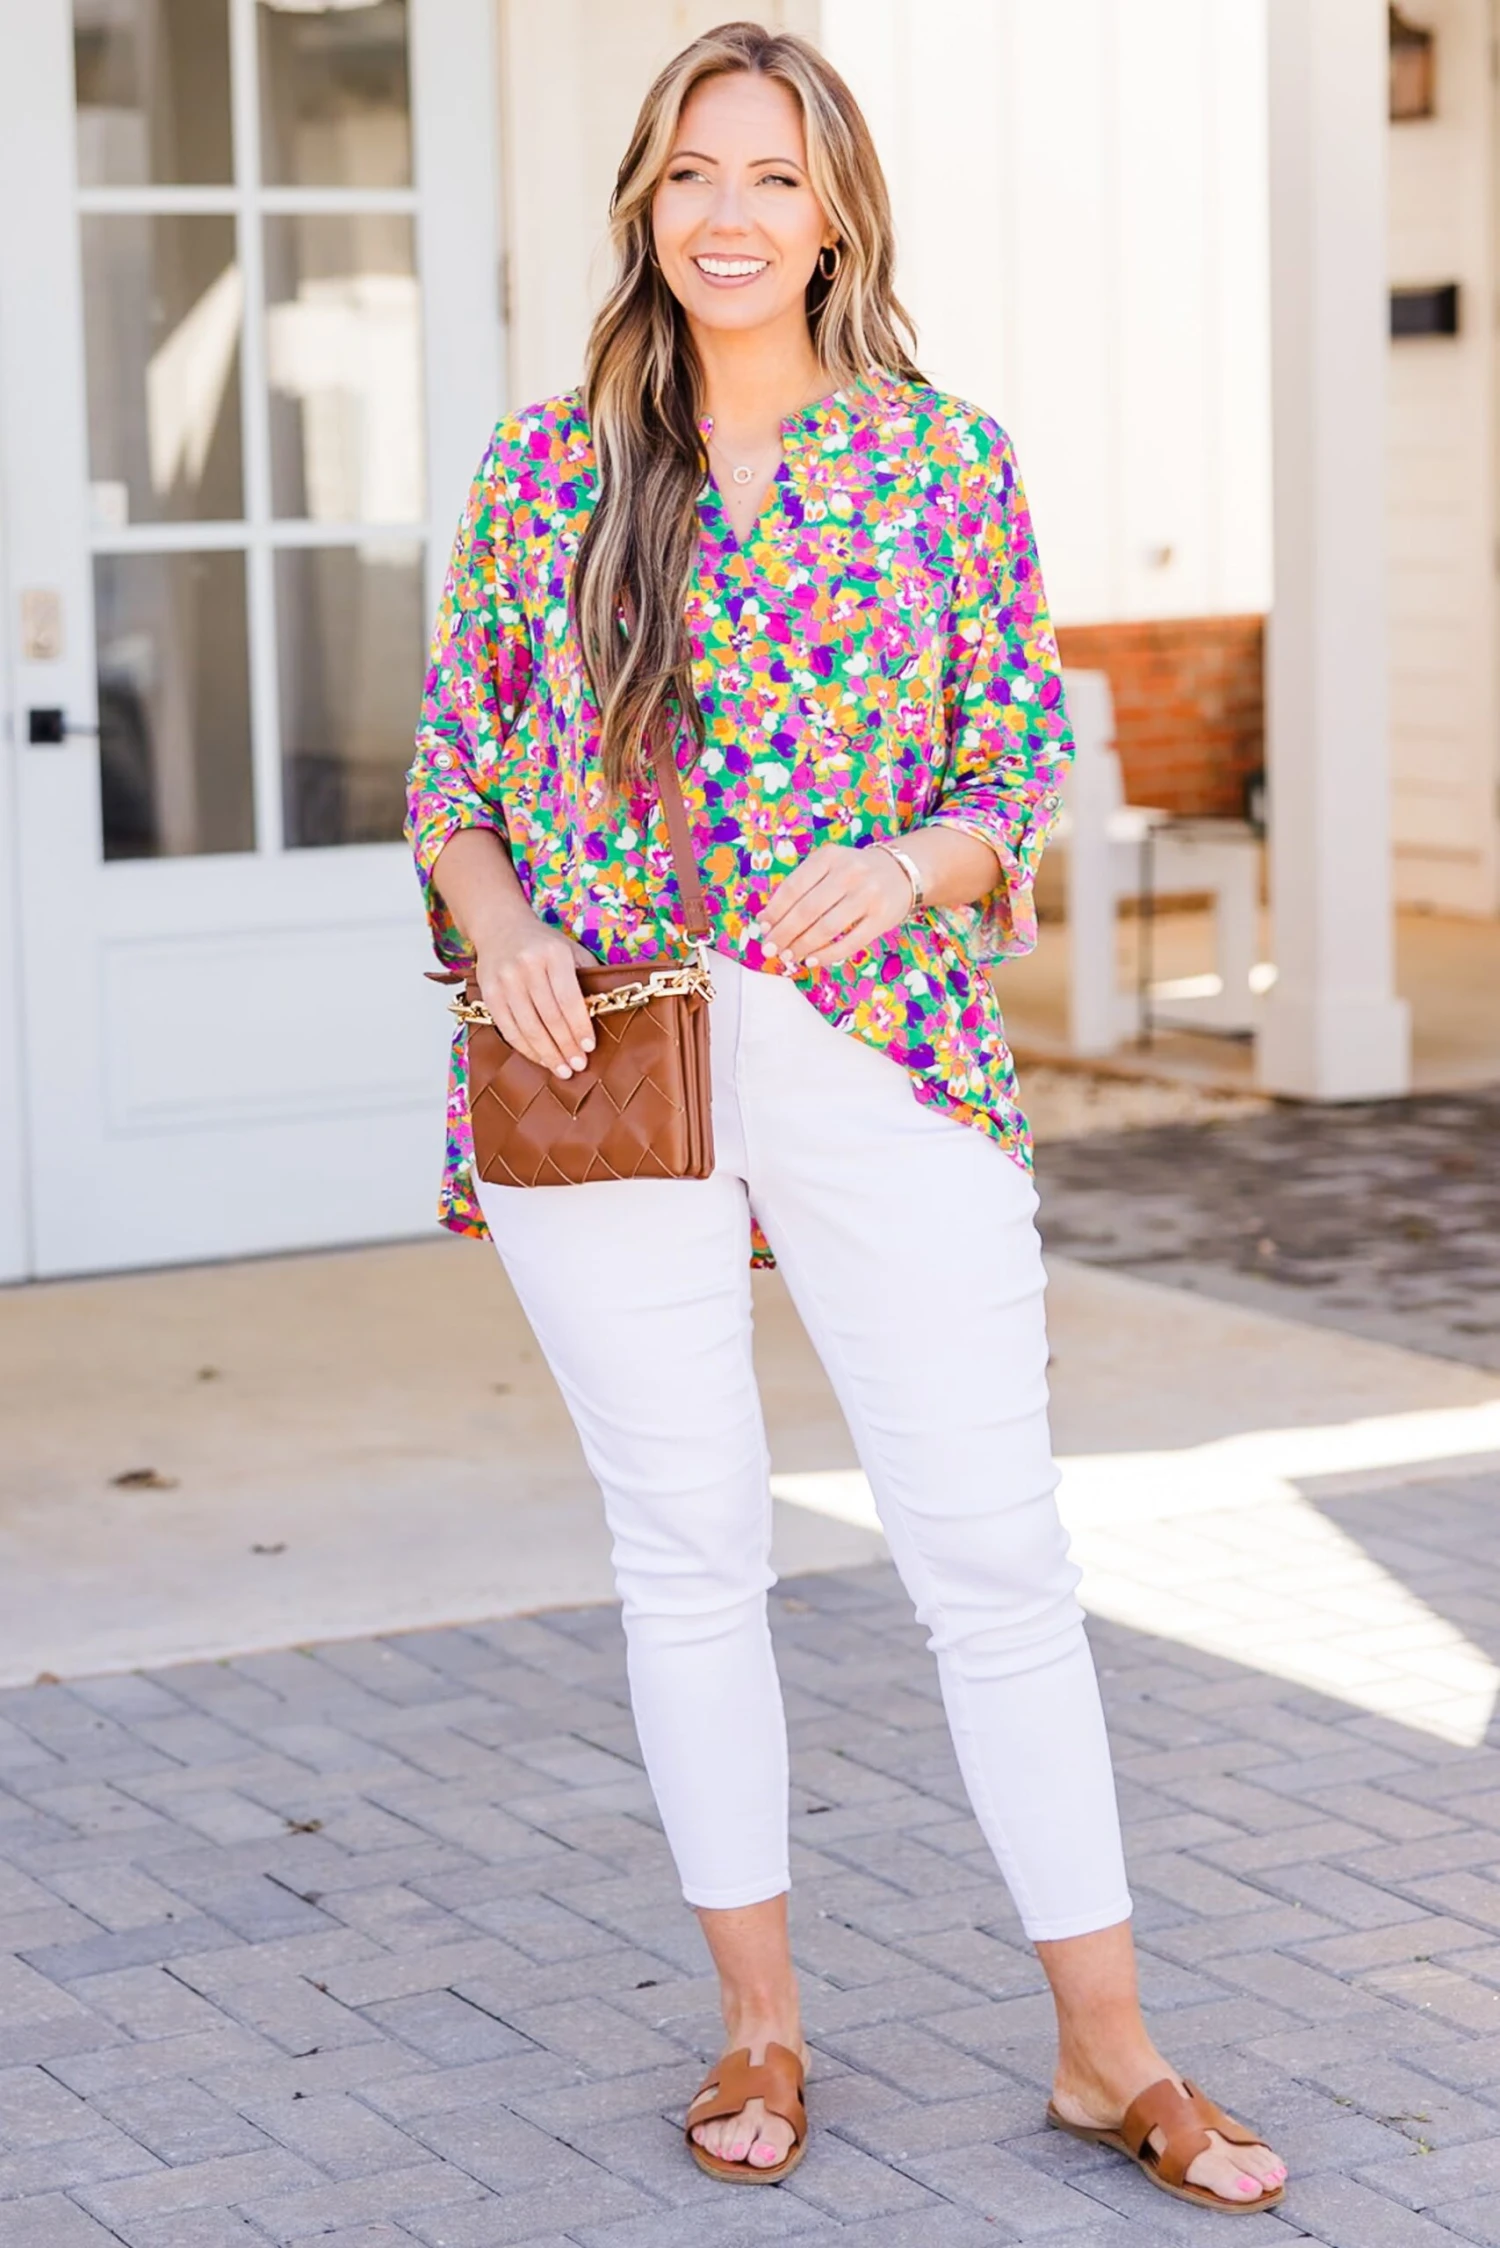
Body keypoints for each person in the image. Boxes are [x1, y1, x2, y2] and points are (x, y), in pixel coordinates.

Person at [406, 18, 1287, 2212]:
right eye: (692, 171)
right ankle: (760, 2023)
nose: (727, 213)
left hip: (885, 1052)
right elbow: (453, 782)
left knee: (993, 1552)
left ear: (836, 217)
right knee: (687, 1549)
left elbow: (1014, 779)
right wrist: (499, 929)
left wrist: (902, 868)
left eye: (773, 177)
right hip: (604, 1058)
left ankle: (1108, 2046)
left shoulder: (943, 460)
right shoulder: (543, 472)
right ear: (645, 199)